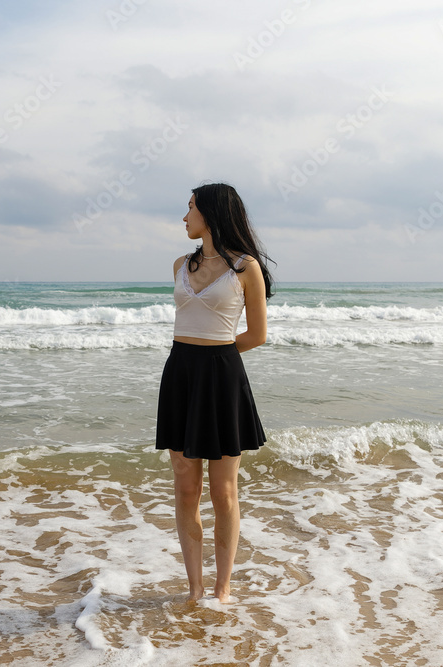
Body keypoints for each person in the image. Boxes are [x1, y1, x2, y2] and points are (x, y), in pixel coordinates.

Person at [155, 182, 274, 603]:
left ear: (211, 213)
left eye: (190, 208)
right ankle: (194, 589)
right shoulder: (178, 266)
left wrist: (216, 358)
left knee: (224, 490)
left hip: (222, 379)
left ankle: (222, 590)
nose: (184, 217)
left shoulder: (246, 268)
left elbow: (257, 335)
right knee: (186, 487)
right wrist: (196, 361)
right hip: (180, 377)